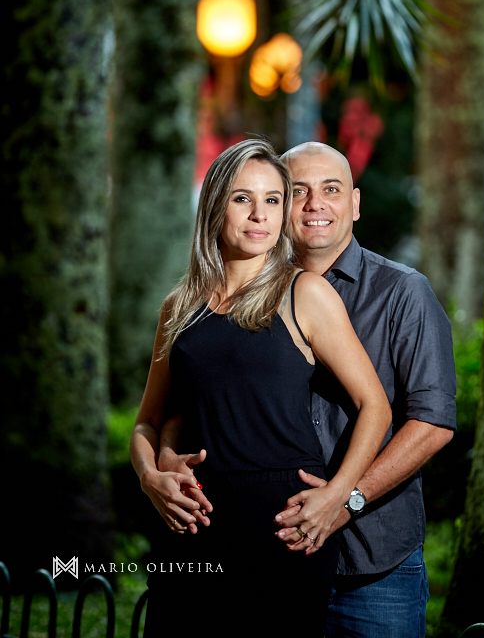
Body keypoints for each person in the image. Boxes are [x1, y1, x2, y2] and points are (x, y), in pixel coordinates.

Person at [130, 139, 391, 638]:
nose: (260, 215)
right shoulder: (178, 306)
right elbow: (148, 419)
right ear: (214, 206)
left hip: (283, 530)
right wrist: (150, 477)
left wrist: (339, 494)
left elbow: (373, 406)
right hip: (192, 525)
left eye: (273, 199)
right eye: (242, 198)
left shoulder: (305, 293)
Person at [272, 142, 457, 638]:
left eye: (331, 190)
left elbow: (433, 422)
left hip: (376, 570)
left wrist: (346, 499)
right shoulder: (253, 297)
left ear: (354, 203)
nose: (315, 204)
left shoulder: (403, 292)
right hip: (275, 562)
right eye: (297, 192)